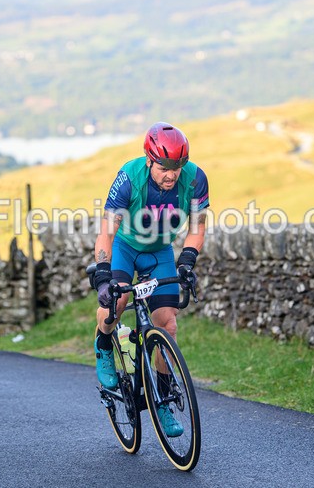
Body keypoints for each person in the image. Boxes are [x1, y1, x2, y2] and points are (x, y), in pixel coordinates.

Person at [92, 121, 210, 437]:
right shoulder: (130, 177)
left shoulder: (195, 179)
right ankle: (103, 344)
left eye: (177, 165)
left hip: (159, 252)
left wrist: (187, 260)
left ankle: (162, 401)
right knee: (117, 299)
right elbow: (107, 230)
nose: (171, 173)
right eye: (164, 166)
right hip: (125, 248)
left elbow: (197, 226)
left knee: (166, 325)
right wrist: (103, 275)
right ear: (149, 159)